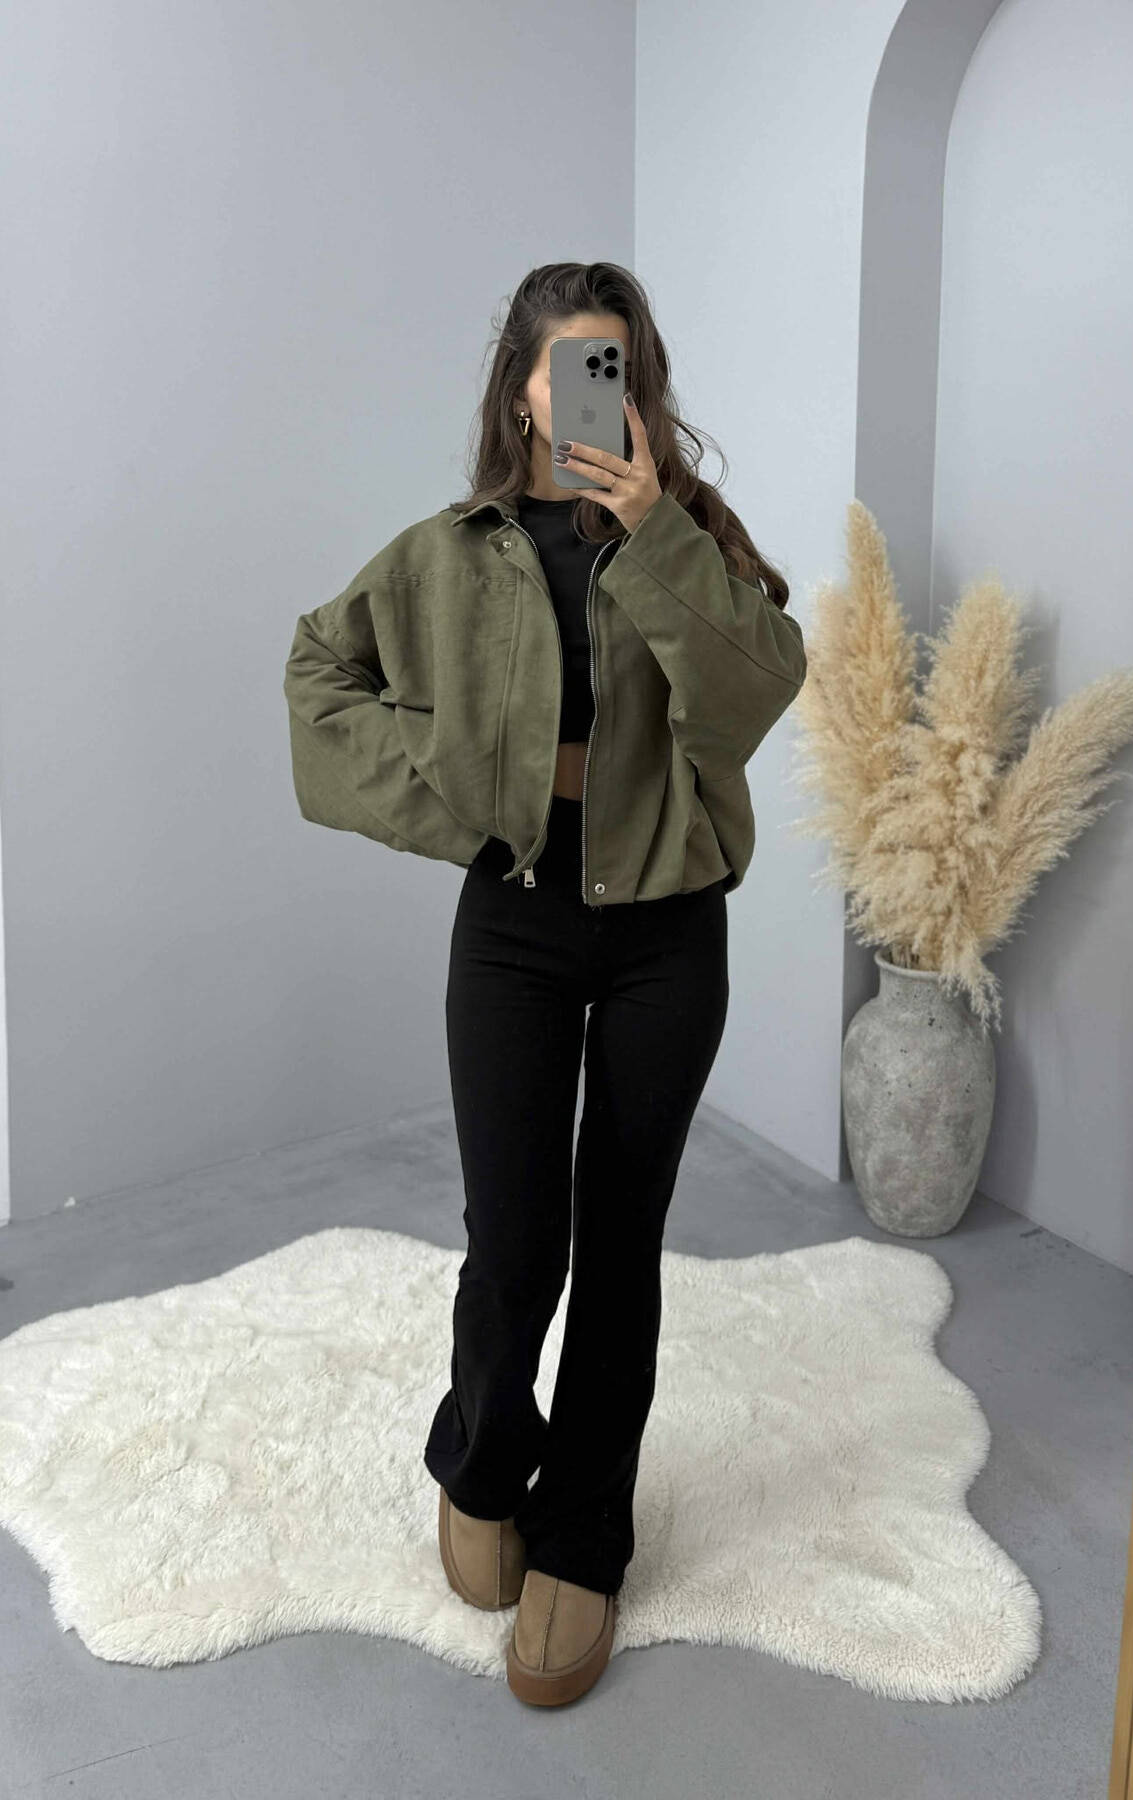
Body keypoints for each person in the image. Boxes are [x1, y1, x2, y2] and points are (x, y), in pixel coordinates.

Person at [283, 261, 806, 1706]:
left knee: (622, 1240)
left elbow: (758, 694)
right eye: (571, 366)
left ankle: (584, 1536)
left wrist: (657, 535)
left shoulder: (687, 536)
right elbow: (321, 673)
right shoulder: (449, 555)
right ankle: (482, 1459)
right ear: (521, 386)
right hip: (513, 922)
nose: (594, 395)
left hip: (665, 930)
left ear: (639, 385)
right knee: (514, 1235)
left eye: (616, 368)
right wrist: (461, 801)